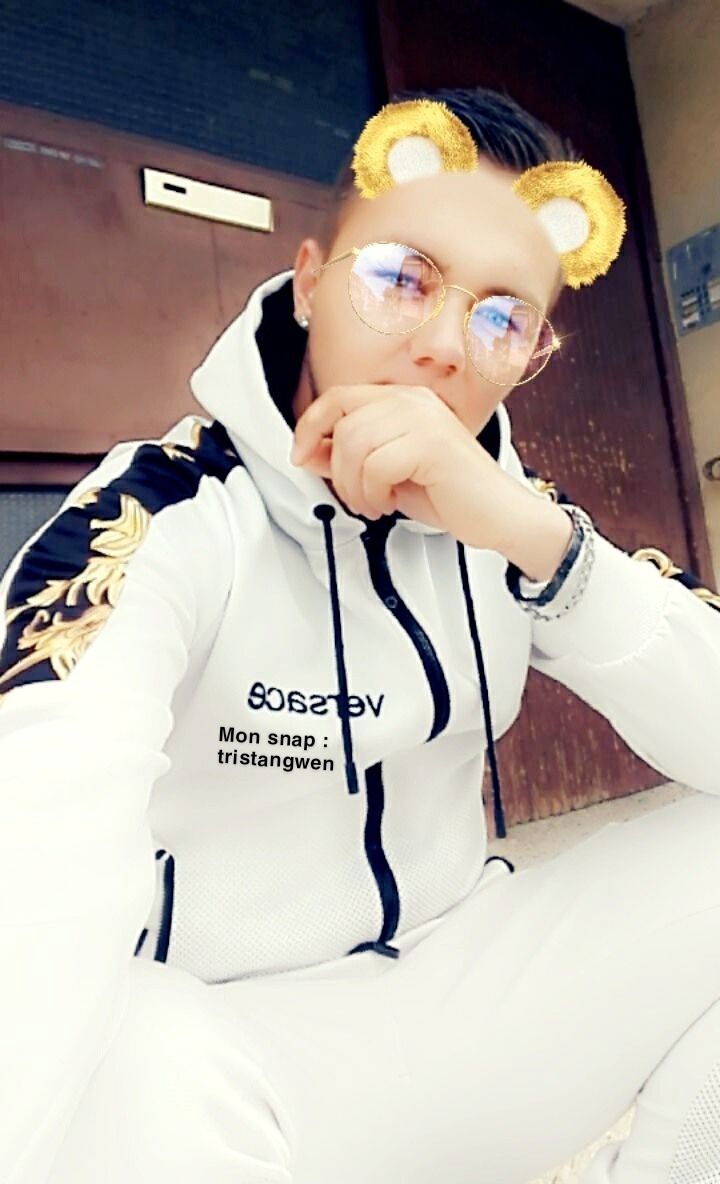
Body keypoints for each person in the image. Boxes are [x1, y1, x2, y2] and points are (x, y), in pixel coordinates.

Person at [1, 84, 720, 1184]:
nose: (445, 346)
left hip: (470, 1006)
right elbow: (39, 844)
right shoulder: (164, 515)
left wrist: (540, 543)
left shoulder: (514, 522)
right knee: (115, 1055)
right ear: (310, 281)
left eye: (501, 318)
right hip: (226, 1072)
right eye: (402, 279)